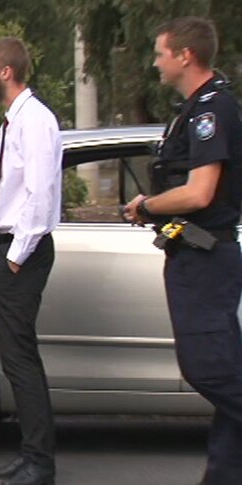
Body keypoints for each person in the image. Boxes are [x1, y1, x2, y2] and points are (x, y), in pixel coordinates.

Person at [122, 17, 242, 485]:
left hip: (206, 257)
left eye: (160, 53)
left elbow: (199, 193)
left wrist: (146, 204)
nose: (155, 61)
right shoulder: (194, 108)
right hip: (192, 253)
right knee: (224, 369)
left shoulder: (214, 109)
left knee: (208, 370)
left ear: (185, 55)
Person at [0, 37, 61, 485]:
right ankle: (30, 454)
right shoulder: (15, 121)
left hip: (21, 250)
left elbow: (41, 194)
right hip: (6, 245)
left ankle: (40, 463)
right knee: (14, 357)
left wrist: (15, 256)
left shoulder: (36, 121)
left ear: (6, 71)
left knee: (21, 358)